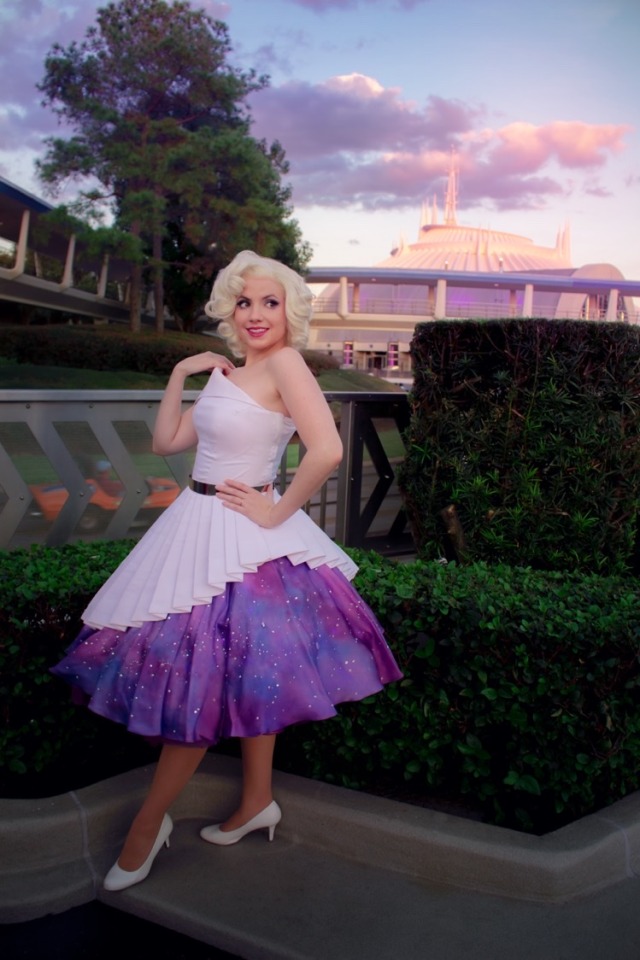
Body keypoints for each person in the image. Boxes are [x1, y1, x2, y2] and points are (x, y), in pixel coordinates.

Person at [51, 250, 402, 892]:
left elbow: (326, 449)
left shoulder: (288, 364)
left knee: (207, 681)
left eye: (270, 302)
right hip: (193, 525)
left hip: (247, 539)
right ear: (230, 312)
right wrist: (182, 373)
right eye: (245, 303)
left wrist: (276, 512)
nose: (256, 314)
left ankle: (147, 825)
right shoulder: (223, 373)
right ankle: (255, 801)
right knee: (240, 676)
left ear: (289, 312)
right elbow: (167, 444)